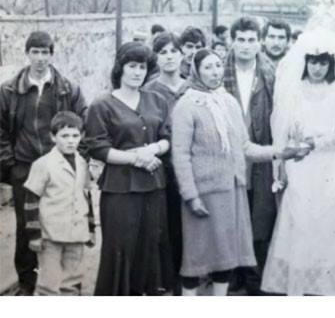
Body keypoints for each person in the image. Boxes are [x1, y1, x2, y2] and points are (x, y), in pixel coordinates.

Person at [170, 48, 307, 296]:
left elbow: (245, 147)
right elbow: (180, 156)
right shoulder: (186, 105)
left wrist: (281, 152)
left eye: (218, 66)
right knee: (196, 259)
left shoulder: (229, 102)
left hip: (232, 192)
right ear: (196, 72)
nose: (215, 72)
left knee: (226, 259)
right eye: (208, 67)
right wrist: (191, 196)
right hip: (203, 194)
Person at [261, 29, 335, 295]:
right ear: (305, 62)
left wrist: (319, 142)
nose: (317, 68)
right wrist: (283, 162)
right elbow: (282, 129)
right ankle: (299, 281)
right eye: (313, 62)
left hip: (330, 164)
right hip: (300, 163)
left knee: (329, 221)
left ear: (331, 64)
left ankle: (327, 283)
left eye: (323, 63)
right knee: (301, 219)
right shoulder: (294, 90)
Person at [0, 31, 87, 295]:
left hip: (59, 167)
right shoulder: (9, 90)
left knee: (63, 221)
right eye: (35, 52)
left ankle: (65, 283)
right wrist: (11, 164)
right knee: (27, 226)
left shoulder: (67, 88)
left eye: (45, 52)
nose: (40, 58)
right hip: (25, 167)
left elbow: (83, 123)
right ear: (27, 54)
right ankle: (27, 284)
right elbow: (0, 130)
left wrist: (74, 159)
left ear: (51, 54)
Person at [85, 42, 173, 295]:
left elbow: (167, 137)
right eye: (132, 66)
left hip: (154, 186)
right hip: (120, 188)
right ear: (120, 69)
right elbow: (97, 148)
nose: (137, 72)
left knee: (150, 246)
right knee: (120, 248)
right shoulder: (102, 104)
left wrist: (152, 150)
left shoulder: (156, 100)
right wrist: (135, 159)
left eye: (142, 67)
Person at [223, 17, 278, 295]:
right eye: (241, 40)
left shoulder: (270, 74)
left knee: (259, 216)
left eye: (251, 40)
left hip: (260, 152)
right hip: (227, 154)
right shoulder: (219, 72)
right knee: (230, 214)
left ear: (260, 43)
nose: (246, 46)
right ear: (232, 41)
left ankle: (255, 276)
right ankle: (231, 275)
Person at [23, 111, 95, 295]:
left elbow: (85, 196)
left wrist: (91, 230)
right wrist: (34, 235)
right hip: (50, 235)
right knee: (49, 283)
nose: (70, 141)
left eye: (75, 136)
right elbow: (31, 200)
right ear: (53, 137)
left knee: (72, 281)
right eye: (64, 136)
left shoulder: (82, 163)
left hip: (76, 233)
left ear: (82, 136)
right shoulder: (43, 164)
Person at [142, 31, 190, 294]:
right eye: (163, 52)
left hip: (191, 167)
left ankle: (189, 278)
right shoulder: (148, 90)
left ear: (182, 55)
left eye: (174, 51)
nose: (169, 57)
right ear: (156, 57)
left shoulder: (192, 87)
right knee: (164, 224)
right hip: (161, 167)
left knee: (188, 222)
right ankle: (165, 280)